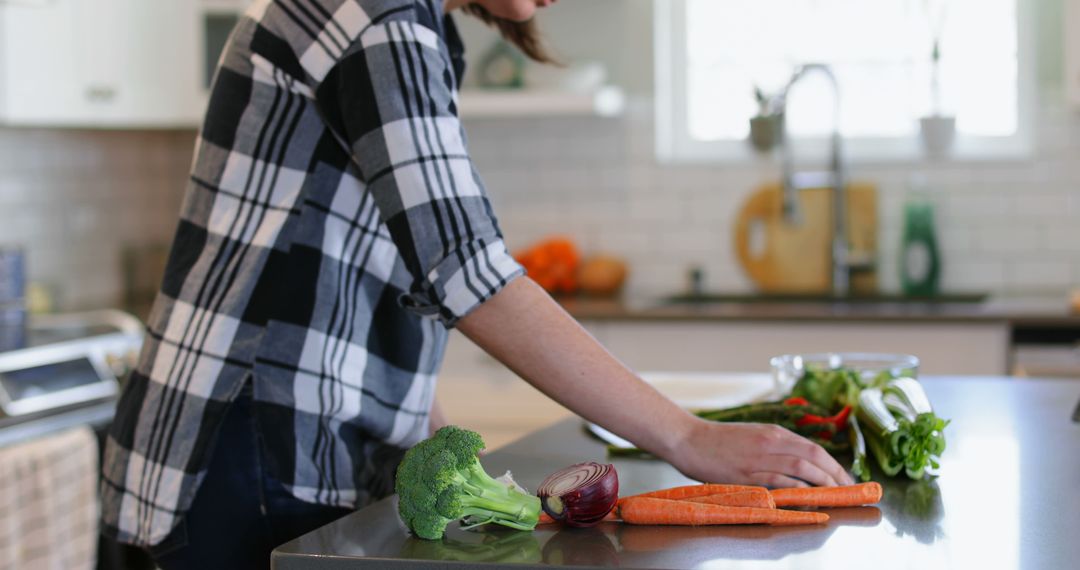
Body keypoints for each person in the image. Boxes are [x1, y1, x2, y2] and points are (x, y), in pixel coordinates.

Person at [100, 0, 853, 567]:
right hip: (238, 450)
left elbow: (383, 250)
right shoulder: (372, 13)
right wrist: (688, 436)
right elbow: (463, 267)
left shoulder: (423, 30)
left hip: (293, 446)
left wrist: (423, 416)